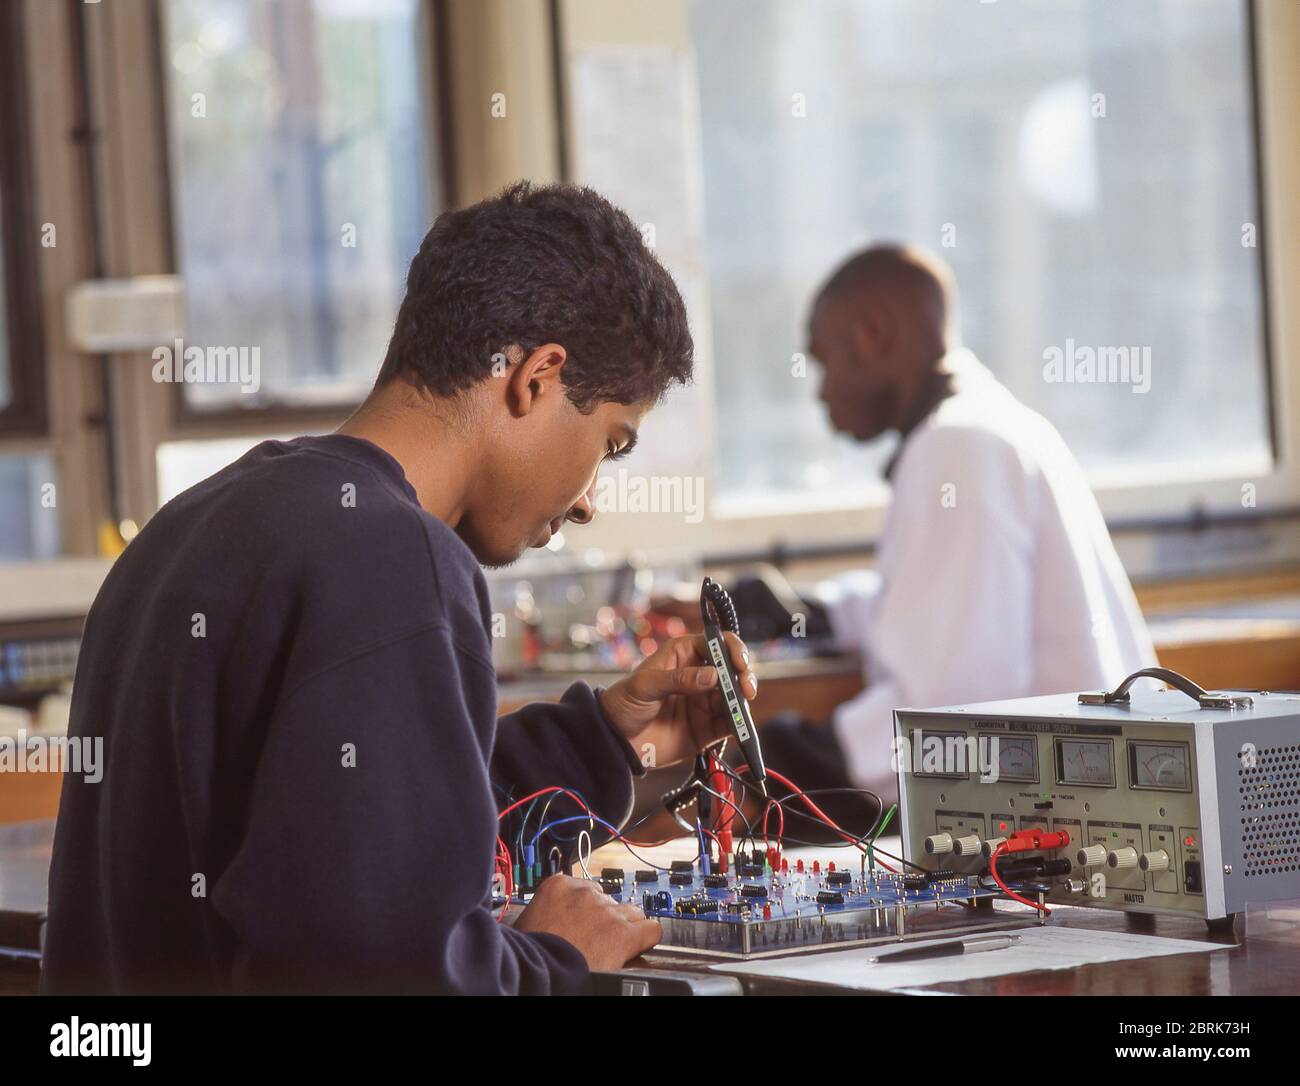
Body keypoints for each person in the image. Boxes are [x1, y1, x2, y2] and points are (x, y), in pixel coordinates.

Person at [41, 182, 757, 995]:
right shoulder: (395, 559)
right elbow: (387, 971)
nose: (590, 499)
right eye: (611, 444)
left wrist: (609, 742)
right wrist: (556, 963)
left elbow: (351, 831)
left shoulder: (200, 521)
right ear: (537, 378)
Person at [760, 244, 1156, 831]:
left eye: (825, 361)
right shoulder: (990, 424)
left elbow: (947, 723)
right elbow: (939, 611)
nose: (821, 391)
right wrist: (802, 613)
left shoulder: (957, 448)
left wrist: (776, 765)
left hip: (1068, 825)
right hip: (1100, 802)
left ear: (872, 335)